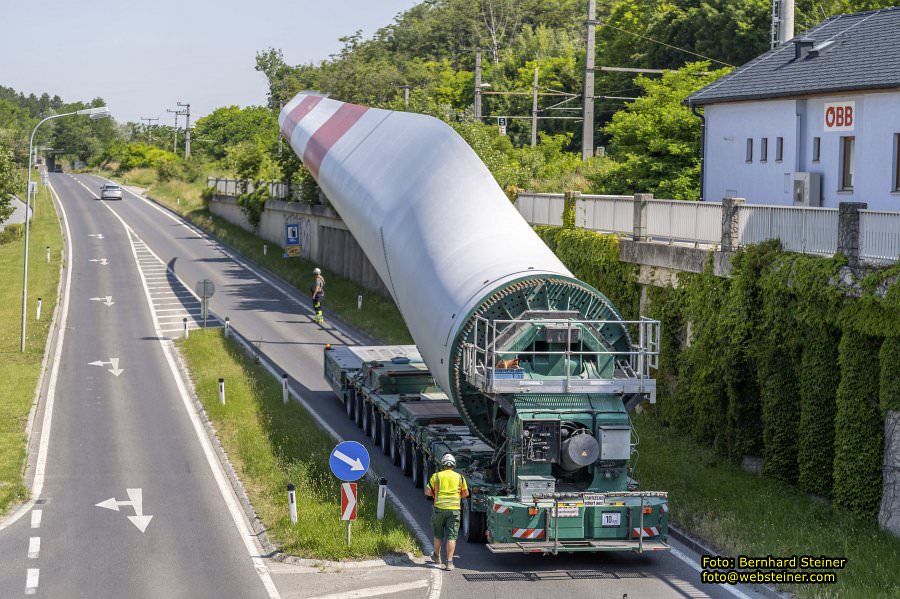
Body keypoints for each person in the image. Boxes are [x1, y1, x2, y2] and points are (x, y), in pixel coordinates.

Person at [424, 453, 469, 570]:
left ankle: (436, 556)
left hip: (439, 509)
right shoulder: (460, 477)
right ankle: (449, 562)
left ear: (442, 465)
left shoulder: (436, 476)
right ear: (453, 465)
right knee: (452, 537)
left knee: (438, 535)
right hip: (454, 510)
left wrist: (435, 494)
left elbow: (427, 492)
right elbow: (465, 494)